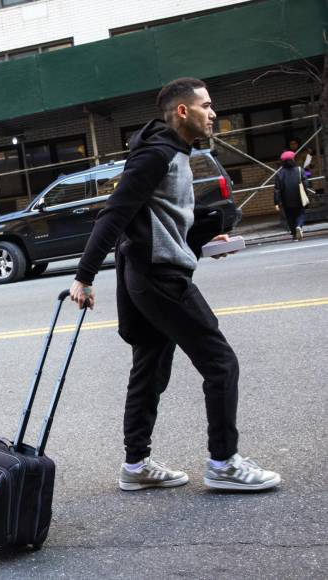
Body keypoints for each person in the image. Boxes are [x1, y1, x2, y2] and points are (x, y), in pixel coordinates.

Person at [70, 77, 281, 493]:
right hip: (159, 277)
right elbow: (113, 215)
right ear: (182, 111)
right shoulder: (157, 155)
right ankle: (224, 462)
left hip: (150, 271)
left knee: (149, 368)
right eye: (206, 105)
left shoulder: (177, 154)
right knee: (221, 363)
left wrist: (205, 239)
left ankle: (136, 465)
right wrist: (84, 276)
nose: (213, 113)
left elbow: (163, 219)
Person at [275, 150, 309, 241]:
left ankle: (294, 235)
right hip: (299, 197)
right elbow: (305, 183)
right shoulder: (299, 169)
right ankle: (299, 226)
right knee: (300, 213)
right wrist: (306, 194)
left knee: (290, 216)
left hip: (286, 199)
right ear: (293, 159)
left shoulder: (280, 173)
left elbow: (277, 189)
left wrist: (276, 202)